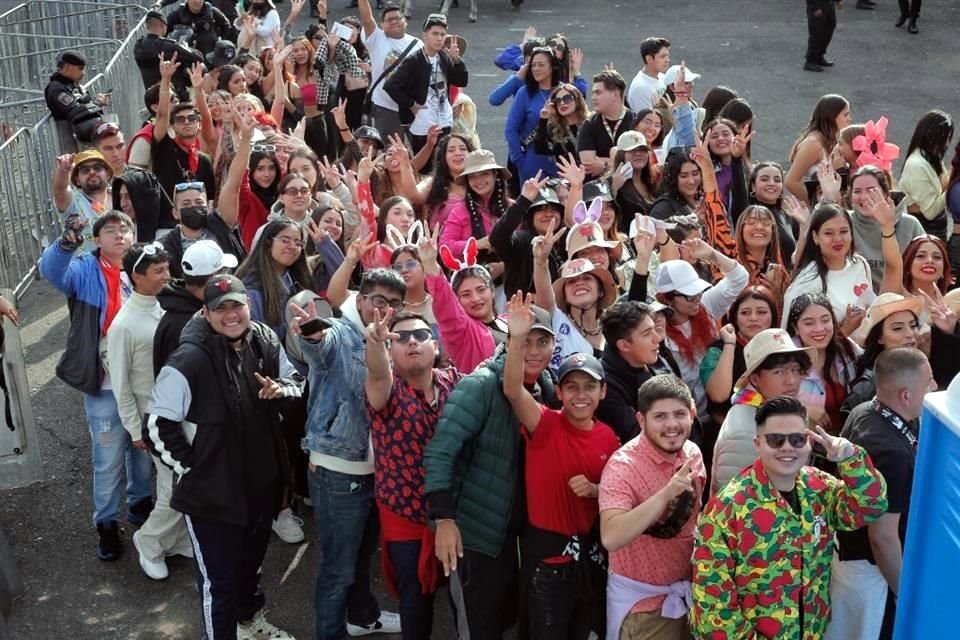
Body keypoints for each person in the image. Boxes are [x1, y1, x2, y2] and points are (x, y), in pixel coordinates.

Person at [143, 274, 301, 640]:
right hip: (212, 497)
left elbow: (296, 384)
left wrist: (282, 392)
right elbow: (156, 426)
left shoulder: (264, 340)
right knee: (220, 583)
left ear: (248, 306)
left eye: (237, 305)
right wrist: (195, 470)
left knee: (250, 569)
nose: (231, 315)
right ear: (206, 312)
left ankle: (250, 623)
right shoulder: (189, 359)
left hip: (261, 485)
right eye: (220, 308)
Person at [692, 396, 888, 639]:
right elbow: (713, 607)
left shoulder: (819, 488)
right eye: (775, 440)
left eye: (797, 439)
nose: (787, 447)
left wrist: (851, 458)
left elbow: (871, 505)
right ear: (757, 443)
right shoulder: (728, 508)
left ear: (808, 442)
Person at [423, 306, 557, 639]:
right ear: (509, 340)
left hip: (521, 535)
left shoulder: (547, 384)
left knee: (509, 620)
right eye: (525, 340)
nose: (534, 351)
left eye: (543, 342)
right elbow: (440, 452)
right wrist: (444, 520)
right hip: (476, 537)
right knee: (479, 627)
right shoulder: (480, 385)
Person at [290, 269, 404, 639]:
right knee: (337, 568)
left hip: (376, 469)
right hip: (339, 468)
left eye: (394, 303)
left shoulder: (390, 340)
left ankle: (362, 615)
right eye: (379, 300)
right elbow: (320, 347)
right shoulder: (341, 332)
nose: (385, 309)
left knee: (359, 557)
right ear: (361, 299)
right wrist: (312, 334)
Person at [502, 294, 619, 640]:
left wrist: (597, 490)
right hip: (548, 565)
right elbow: (512, 390)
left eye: (589, 387)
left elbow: (617, 496)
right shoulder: (544, 423)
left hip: (590, 561)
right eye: (572, 387)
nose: (580, 395)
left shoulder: (609, 438)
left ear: (603, 392)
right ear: (561, 393)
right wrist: (517, 339)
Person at [39, 211, 153, 562]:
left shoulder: (144, 269)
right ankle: (105, 523)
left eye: (126, 230)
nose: (120, 235)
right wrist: (65, 244)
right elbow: (51, 271)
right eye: (111, 230)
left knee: (142, 450)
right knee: (106, 460)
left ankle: (140, 505)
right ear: (96, 239)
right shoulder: (85, 269)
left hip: (140, 383)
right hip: (103, 386)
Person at [364, 307, 460, 640]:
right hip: (405, 517)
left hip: (452, 513)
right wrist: (375, 344)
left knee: (462, 597)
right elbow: (377, 373)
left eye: (420, 335)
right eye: (400, 338)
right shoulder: (386, 392)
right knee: (415, 602)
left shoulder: (456, 383)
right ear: (392, 351)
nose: (412, 342)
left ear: (435, 345)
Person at [832, 348, 935, 640]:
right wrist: (904, 594)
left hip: (851, 559)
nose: (935, 387)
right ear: (906, 395)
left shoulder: (864, 410)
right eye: (928, 382)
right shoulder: (891, 452)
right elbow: (883, 538)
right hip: (874, 577)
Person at [105, 242, 191, 581]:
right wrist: (135, 429)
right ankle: (149, 542)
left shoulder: (165, 306)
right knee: (173, 487)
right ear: (136, 276)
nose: (166, 276)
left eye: (166, 268)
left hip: (180, 410)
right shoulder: (123, 325)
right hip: (151, 418)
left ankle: (177, 539)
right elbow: (121, 385)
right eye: (158, 272)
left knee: (185, 480)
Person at [599, 374, 706, 640]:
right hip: (644, 608)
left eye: (679, 414)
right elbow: (611, 537)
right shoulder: (623, 467)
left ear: (692, 414)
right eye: (660, 417)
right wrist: (666, 494)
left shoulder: (693, 453)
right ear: (641, 419)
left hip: (689, 596)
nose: (672, 425)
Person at [711, 328, 816, 493]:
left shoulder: (777, 411)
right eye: (779, 372)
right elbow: (736, 501)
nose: (792, 380)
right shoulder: (745, 432)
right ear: (755, 379)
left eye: (795, 370)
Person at [655, 249, 749, 416]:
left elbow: (739, 277)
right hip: (686, 418)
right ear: (667, 298)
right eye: (690, 296)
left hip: (719, 413)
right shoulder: (657, 332)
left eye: (698, 292)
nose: (697, 299)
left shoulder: (706, 305)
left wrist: (709, 253)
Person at [384, 13, 468, 159]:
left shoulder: (444, 57)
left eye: (443, 34)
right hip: (422, 123)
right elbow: (391, 86)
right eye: (435, 33)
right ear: (425, 35)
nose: (439, 38)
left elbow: (461, 81)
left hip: (444, 119)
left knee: (443, 163)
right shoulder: (414, 60)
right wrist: (411, 104)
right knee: (425, 164)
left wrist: (457, 61)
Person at [154, 239, 239, 373]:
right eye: (225, 271)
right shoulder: (179, 324)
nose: (228, 278)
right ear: (214, 276)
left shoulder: (194, 309)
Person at [700, 286, 780, 426]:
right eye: (745, 313)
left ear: (773, 316)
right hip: (727, 430)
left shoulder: (780, 346)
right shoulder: (719, 349)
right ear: (735, 317)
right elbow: (718, 395)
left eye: (761, 312)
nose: (753, 318)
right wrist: (730, 344)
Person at [841, 293, 922, 422]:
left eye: (913, 326)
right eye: (897, 328)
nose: (910, 333)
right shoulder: (867, 388)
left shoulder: (923, 368)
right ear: (879, 337)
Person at [152, 54, 217, 204]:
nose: (187, 122)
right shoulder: (164, 147)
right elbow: (162, 115)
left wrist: (198, 89)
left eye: (192, 118)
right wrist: (166, 80)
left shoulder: (204, 161)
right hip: (167, 222)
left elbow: (211, 199)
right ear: (173, 125)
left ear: (198, 124)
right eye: (180, 119)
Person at [596, 300, 663, 444]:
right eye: (647, 334)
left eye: (654, 329)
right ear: (624, 345)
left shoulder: (656, 360)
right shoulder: (606, 388)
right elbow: (639, 438)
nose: (658, 338)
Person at [849, 165, 923, 289]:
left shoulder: (910, 224)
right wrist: (828, 198)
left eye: (871, 190)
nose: (864, 197)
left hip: (902, 300)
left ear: (885, 193)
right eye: (857, 191)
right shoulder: (845, 223)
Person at [359, 0, 423, 141]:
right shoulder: (377, 39)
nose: (394, 21)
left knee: (418, 152)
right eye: (389, 20)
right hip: (386, 109)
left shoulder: (418, 45)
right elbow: (367, 18)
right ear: (382, 25)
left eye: (397, 18)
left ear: (405, 21)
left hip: (415, 109)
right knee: (391, 152)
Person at [160, 181, 246, 279]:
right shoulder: (166, 245)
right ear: (175, 213)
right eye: (186, 204)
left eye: (199, 202)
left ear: (208, 207)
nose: (193, 207)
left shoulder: (220, 226)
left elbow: (234, 186)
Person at [899, 110, 954, 241]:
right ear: (934, 136)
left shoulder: (933, 158)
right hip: (924, 234)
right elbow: (931, 211)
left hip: (935, 231)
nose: (947, 143)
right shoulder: (917, 165)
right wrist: (953, 184)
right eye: (946, 137)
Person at [785, 94, 851, 204]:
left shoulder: (831, 140)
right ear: (832, 116)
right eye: (845, 115)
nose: (849, 119)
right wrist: (817, 205)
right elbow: (790, 182)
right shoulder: (813, 143)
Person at [52, 150, 114, 254]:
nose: (92, 172)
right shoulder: (72, 201)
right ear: (77, 180)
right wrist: (63, 170)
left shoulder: (122, 196)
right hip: (84, 268)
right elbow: (60, 190)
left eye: (97, 168)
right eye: (85, 170)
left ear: (107, 173)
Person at [577, 70, 634, 180]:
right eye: (593, 93)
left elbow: (639, 161)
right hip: (598, 189)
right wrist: (621, 162)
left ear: (615, 94)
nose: (593, 98)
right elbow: (589, 164)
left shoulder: (635, 121)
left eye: (598, 92)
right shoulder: (589, 124)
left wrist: (604, 165)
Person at [43, 50, 106, 146]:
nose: (83, 73)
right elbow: (75, 111)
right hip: (72, 143)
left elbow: (82, 103)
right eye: (80, 68)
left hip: (86, 138)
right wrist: (97, 103)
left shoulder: (71, 84)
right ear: (68, 66)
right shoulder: (56, 88)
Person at [134, 10, 201, 97]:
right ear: (163, 25)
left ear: (147, 26)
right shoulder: (167, 46)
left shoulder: (138, 46)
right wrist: (186, 47)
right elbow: (198, 57)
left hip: (152, 97)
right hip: (174, 97)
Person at [165, 0, 233, 57]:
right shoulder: (178, 13)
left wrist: (220, 42)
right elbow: (164, 28)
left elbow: (226, 26)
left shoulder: (212, 11)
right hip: (186, 54)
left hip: (209, 54)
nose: (197, 1)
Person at [627, 37, 670, 111]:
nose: (667, 60)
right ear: (649, 59)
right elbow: (646, 121)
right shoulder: (640, 89)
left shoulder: (663, 77)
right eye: (662, 56)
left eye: (667, 56)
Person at [804, 0, 838, 72]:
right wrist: (814, 7)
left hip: (829, 4)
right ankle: (810, 61)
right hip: (818, 4)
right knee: (816, 33)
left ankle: (819, 56)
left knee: (829, 29)